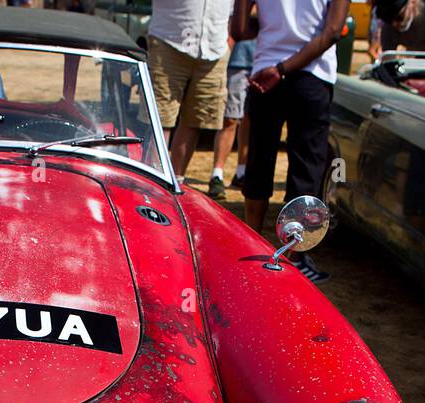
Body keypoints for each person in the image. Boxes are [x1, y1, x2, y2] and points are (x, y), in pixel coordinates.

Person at [234, 0, 348, 284]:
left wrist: (278, 64)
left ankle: (252, 241)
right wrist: (284, 69)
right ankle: (294, 255)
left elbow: (239, 29)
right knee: (306, 165)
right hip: (312, 75)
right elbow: (333, 31)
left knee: (259, 159)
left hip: (265, 70)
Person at [146, 0, 233, 178]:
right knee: (159, 119)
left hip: (214, 45)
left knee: (196, 120)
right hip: (169, 40)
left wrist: (229, 40)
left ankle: (177, 180)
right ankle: (154, 181)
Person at [209, 34, 256, 197]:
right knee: (230, 119)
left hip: (265, 61)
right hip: (237, 61)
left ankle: (241, 173)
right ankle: (217, 175)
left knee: (250, 119)